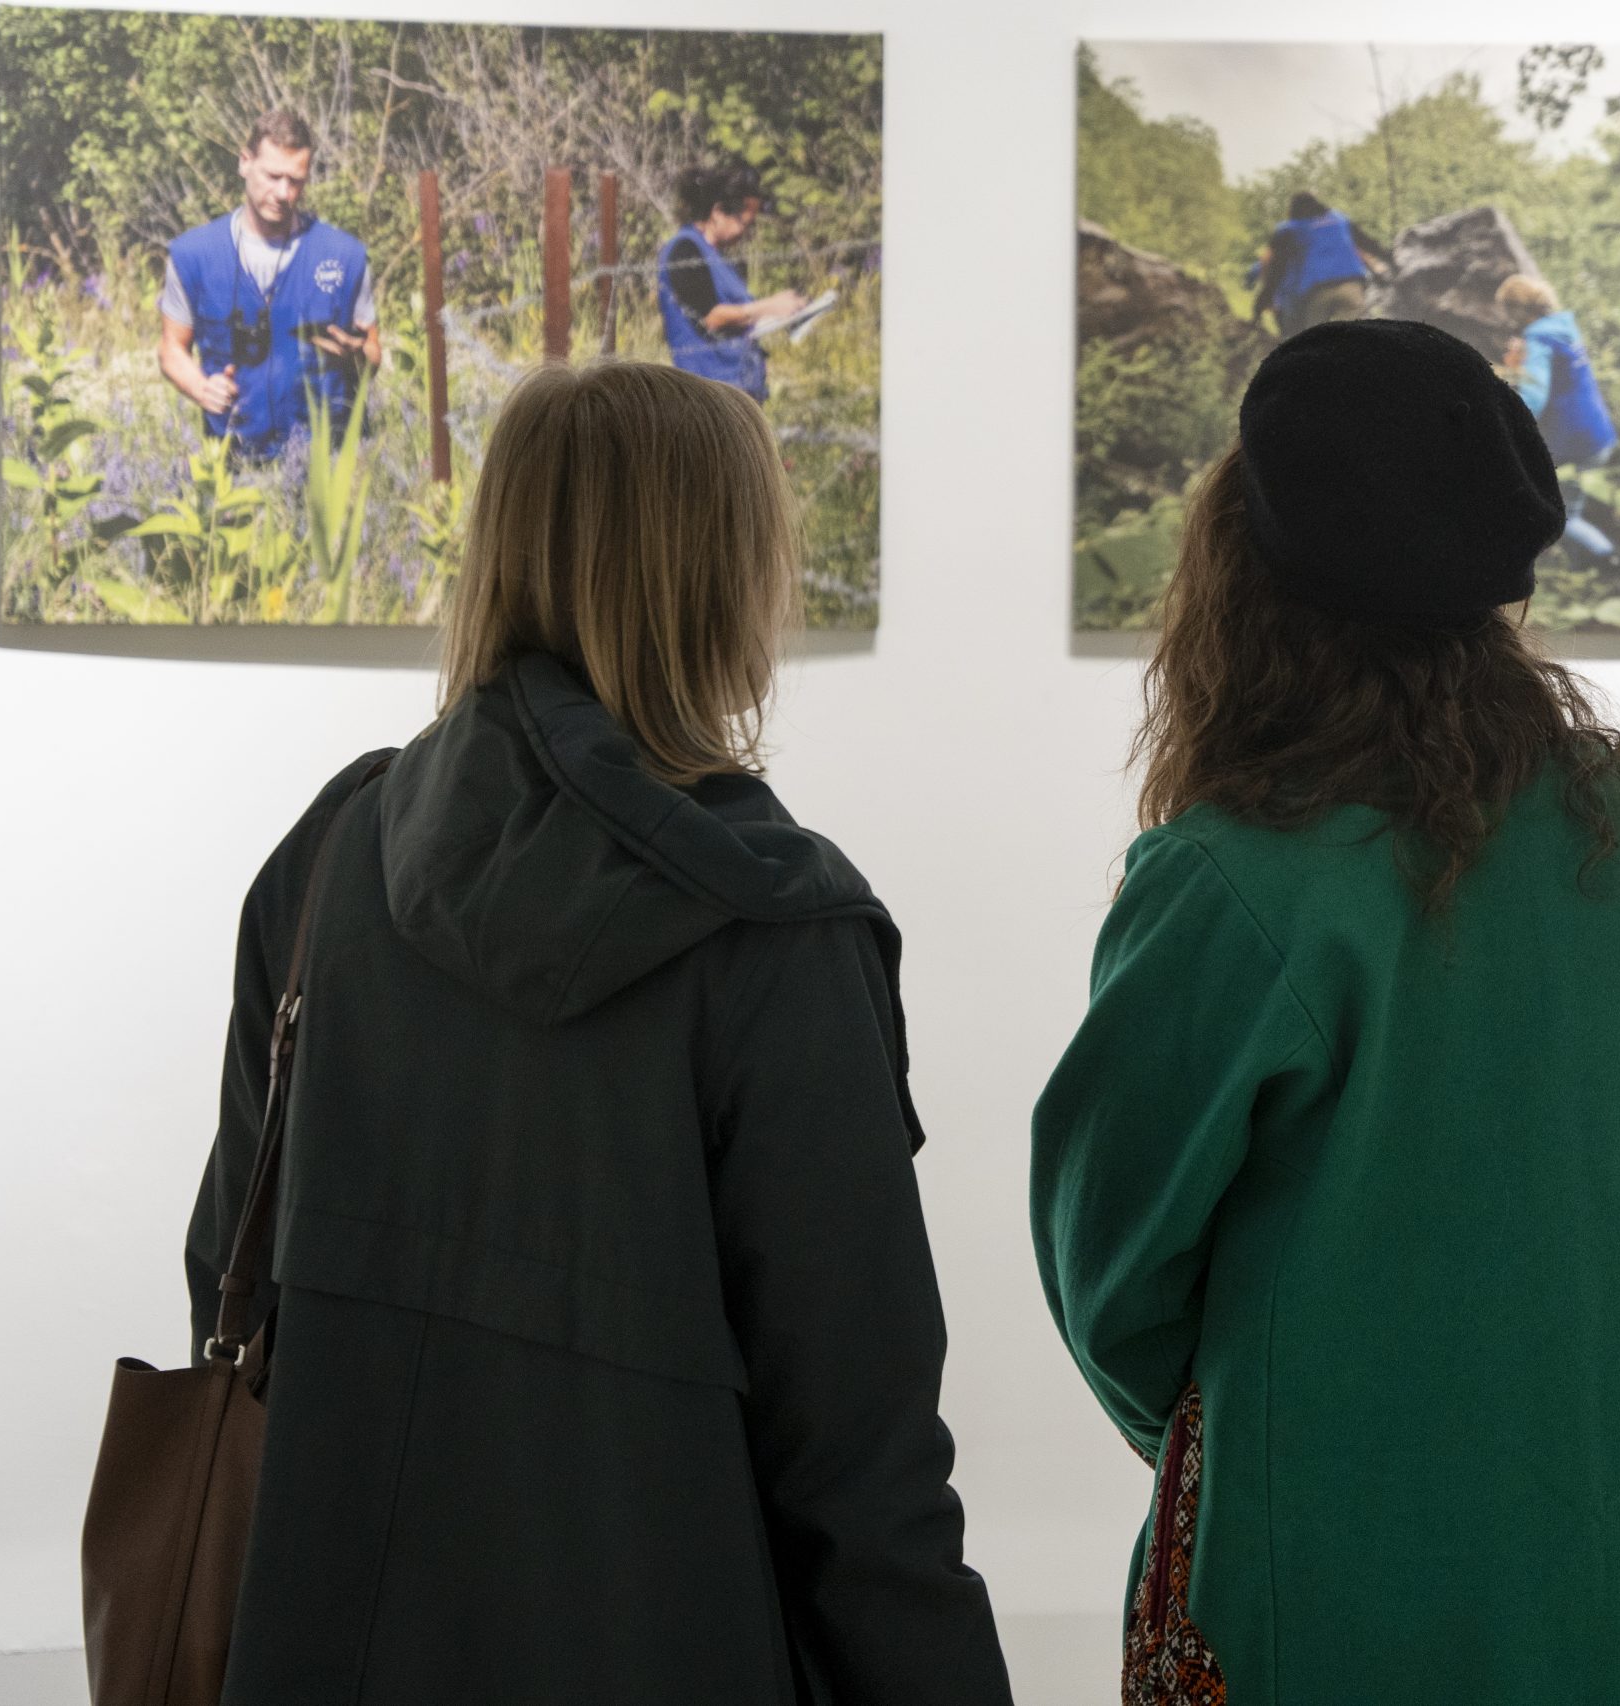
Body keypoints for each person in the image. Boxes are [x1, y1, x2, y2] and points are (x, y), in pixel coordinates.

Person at [188, 361, 1014, 1703]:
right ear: (724, 578)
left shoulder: (333, 857)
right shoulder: (776, 930)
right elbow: (861, 1466)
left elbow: (229, 1278)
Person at [1033, 320, 1620, 1703]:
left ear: (1239, 575)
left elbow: (1112, 1266)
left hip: (1348, 1594)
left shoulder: (1234, 876)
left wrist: (1262, 1416)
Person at [158, 109, 380, 463]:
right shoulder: (193, 256)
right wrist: (201, 387)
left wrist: (357, 355)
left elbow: (372, 351)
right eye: (273, 176)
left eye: (296, 181)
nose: (283, 193)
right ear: (245, 163)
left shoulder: (344, 256)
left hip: (328, 466)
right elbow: (171, 348)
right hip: (234, 464)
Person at [1497, 272, 1620, 571]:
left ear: (1516, 310)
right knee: (1567, 501)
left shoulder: (1539, 338)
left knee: (1559, 513)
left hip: (1574, 444)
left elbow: (1535, 397)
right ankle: (1584, 566)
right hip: (1598, 436)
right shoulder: (1563, 326)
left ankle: (1610, 560)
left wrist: (1505, 423)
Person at [657, 163, 807, 403]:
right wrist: (770, 307)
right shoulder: (684, 251)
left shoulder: (719, 258)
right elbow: (712, 317)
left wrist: (784, 315)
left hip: (738, 386)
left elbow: (740, 317)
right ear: (718, 213)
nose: (747, 232)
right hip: (707, 392)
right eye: (744, 224)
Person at [1250, 192, 1390, 336]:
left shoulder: (1290, 229)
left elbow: (1276, 270)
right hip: (1351, 285)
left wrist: (1260, 305)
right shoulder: (1339, 219)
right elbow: (1367, 243)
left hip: (1316, 291)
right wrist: (1389, 260)